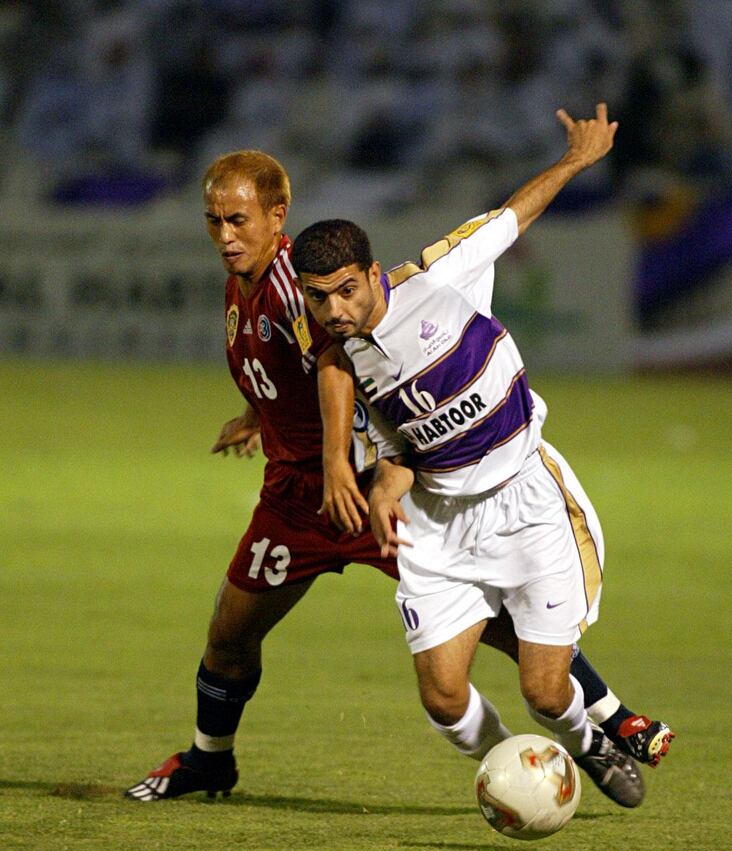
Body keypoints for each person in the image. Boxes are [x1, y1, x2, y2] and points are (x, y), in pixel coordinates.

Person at [125, 144, 671, 802]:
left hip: (372, 491)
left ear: (278, 216)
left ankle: (605, 721)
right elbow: (297, 373)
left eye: (238, 221)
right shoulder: (245, 280)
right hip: (295, 497)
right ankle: (209, 761)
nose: (225, 234)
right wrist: (257, 410)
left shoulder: (305, 292)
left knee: (501, 625)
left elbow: (337, 364)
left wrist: (344, 460)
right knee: (230, 633)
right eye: (214, 220)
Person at [293, 104, 670, 807]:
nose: (336, 309)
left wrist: (575, 161)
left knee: (545, 689)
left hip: (524, 502)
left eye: (346, 290)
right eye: (319, 299)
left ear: (371, 273)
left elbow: (512, 216)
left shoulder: (439, 277)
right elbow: (404, 446)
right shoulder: (339, 355)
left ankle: (588, 745)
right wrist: (376, 483)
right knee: (442, 697)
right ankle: (514, 780)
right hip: (438, 521)